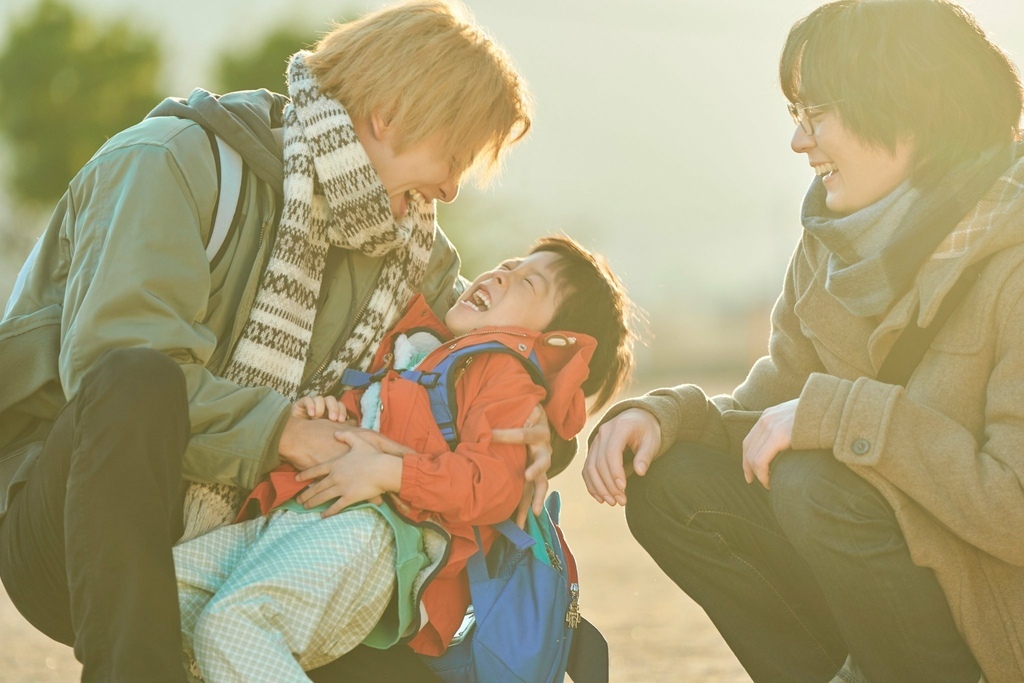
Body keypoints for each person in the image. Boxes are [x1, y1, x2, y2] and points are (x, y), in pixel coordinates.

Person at [0, 2, 547, 681]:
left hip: (262, 548)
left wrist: (536, 424)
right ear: (390, 115)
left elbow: (484, 365)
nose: (452, 189)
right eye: (454, 156)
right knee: (135, 379)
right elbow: (109, 376)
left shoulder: (414, 252)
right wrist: (282, 430)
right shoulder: (170, 162)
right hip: (74, 533)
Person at [583, 1, 1024, 681]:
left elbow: (1013, 508)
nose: (799, 142)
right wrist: (665, 417)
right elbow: (768, 420)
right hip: (882, 605)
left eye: (817, 117)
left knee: (817, 482)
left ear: (909, 111)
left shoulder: (1013, 262)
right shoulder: (829, 249)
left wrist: (846, 417)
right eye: (795, 116)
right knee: (669, 480)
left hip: (991, 633)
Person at [172, 235, 636, 683]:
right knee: (159, 598)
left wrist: (388, 470)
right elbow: (387, 422)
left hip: (375, 537)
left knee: (233, 628)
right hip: (305, 515)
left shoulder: (506, 378)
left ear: (554, 343)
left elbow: (490, 486)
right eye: (510, 265)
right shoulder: (427, 352)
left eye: (528, 284)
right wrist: (332, 413)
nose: (501, 275)